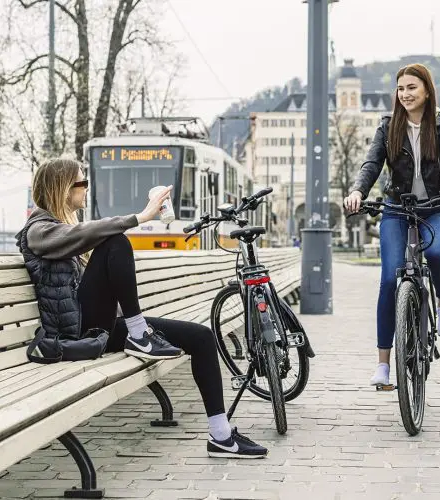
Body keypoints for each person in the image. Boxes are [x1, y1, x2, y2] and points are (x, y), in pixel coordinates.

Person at [16, 158, 267, 459]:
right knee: (115, 242)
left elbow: (86, 250)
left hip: (97, 325)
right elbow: (85, 237)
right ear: (61, 188)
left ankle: (221, 436)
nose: (86, 189)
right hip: (76, 333)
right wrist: (140, 216)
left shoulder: (61, 228)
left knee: (201, 337)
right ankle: (139, 334)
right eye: (82, 183)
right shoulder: (39, 230)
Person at [343, 63, 440, 387]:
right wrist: (359, 190)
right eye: (401, 89)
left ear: (427, 90)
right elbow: (372, 162)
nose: (405, 94)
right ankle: (384, 365)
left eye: (412, 88)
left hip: (436, 207)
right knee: (389, 279)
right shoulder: (388, 125)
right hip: (396, 209)